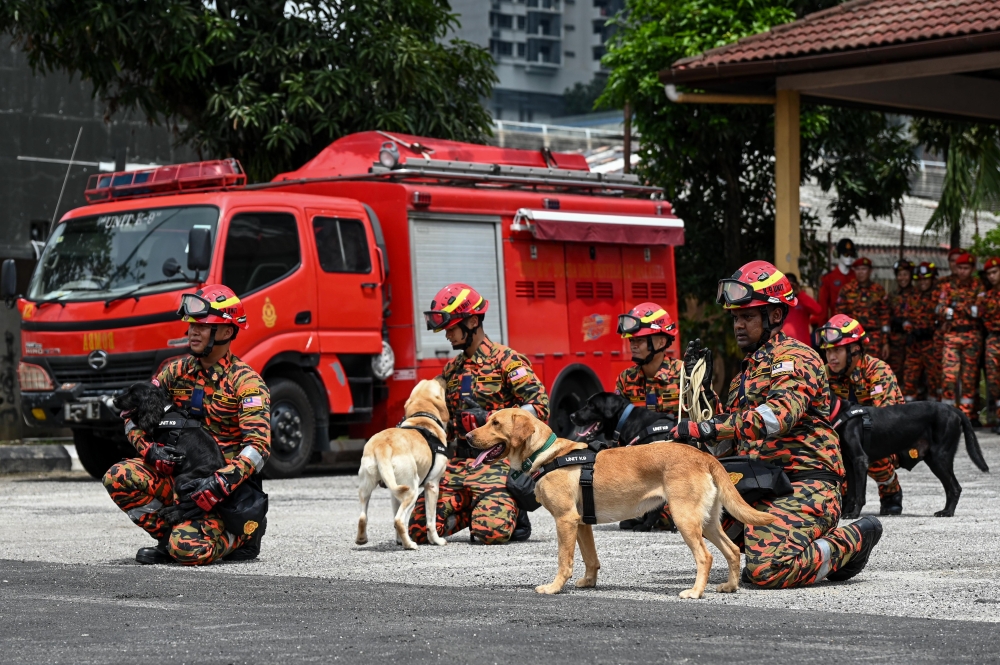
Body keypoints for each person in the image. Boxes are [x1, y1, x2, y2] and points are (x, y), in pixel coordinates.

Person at [672, 260, 881, 588]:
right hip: (761, 482)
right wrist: (701, 392)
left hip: (804, 483)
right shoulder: (746, 372)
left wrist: (710, 426)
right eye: (736, 318)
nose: (739, 325)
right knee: (684, 507)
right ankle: (789, 543)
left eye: (748, 317)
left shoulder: (796, 358)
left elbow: (778, 417)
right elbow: (725, 444)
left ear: (774, 315)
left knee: (766, 572)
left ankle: (852, 540)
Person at [103, 285, 271, 565]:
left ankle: (242, 537)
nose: (193, 331)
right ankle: (170, 537)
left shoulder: (247, 383)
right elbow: (132, 419)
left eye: (203, 326)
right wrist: (149, 452)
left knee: (187, 551)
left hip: (225, 494)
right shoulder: (175, 372)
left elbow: (258, 449)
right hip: (180, 481)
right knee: (118, 476)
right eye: (192, 325)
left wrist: (218, 485)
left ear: (227, 332)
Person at [408, 283, 549, 545]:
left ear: (472, 322)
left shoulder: (507, 361)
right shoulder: (452, 370)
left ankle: (512, 511)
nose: (447, 336)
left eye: (451, 328)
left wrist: (490, 419)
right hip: (460, 465)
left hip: (497, 465)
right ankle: (473, 508)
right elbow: (445, 426)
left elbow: (540, 407)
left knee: (489, 534)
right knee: (417, 532)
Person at [612, 302, 716, 530]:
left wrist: (703, 389)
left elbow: (710, 416)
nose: (633, 345)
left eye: (639, 340)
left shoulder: (684, 375)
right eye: (632, 341)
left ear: (660, 341)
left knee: (673, 517)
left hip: (679, 467)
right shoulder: (626, 379)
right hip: (641, 469)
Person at [818, 314, 905, 515]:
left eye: (837, 350)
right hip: (843, 439)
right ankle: (844, 494)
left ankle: (890, 491)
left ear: (855, 350)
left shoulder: (877, 370)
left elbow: (887, 420)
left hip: (882, 440)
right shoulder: (824, 374)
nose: (831, 357)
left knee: (870, 449)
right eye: (828, 350)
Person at [938, 252, 982, 420]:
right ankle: (947, 416)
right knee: (949, 376)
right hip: (952, 336)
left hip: (972, 336)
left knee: (969, 379)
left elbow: (979, 310)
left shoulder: (978, 286)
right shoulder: (948, 286)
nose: (963, 271)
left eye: (966, 268)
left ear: (972, 269)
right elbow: (941, 308)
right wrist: (958, 308)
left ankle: (967, 416)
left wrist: (955, 307)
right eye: (960, 268)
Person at [901, 262, 941, 402]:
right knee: (909, 380)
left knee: (934, 381)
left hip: (933, 347)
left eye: (925, 279)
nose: (922, 283)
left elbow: (942, 319)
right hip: (915, 346)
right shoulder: (912, 297)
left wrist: (931, 331)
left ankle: (934, 414)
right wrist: (910, 331)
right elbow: (906, 318)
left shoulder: (938, 296)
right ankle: (908, 414)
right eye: (919, 280)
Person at [836, 256, 889, 360]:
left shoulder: (879, 291)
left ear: (870, 271)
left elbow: (885, 318)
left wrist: (885, 343)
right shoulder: (846, 290)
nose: (860, 272)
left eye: (864, 269)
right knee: (853, 371)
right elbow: (839, 317)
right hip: (852, 338)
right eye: (858, 269)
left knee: (873, 371)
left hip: (874, 338)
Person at [977, 257, 1000, 433]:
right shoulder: (986, 296)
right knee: (994, 381)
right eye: (989, 274)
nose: (992, 276)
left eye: (995, 272)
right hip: (993, 339)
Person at [818, 238, 857, 321]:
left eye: (851, 254)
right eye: (846, 254)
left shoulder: (856, 277)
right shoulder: (829, 278)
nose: (849, 257)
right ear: (838, 254)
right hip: (836, 324)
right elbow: (823, 306)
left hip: (855, 323)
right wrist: (823, 328)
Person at [886, 259, 914, 374]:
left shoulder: (917, 295)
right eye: (900, 275)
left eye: (905, 275)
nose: (903, 278)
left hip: (913, 343)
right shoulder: (891, 296)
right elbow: (885, 317)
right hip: (895, 342)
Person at [782, 273, 822, 345]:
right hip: (784, 346)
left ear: (797, 285)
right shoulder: (780, 302)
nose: (790, 288)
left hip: (803, 346)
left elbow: (818, 310)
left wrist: (800, 294)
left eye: (792, 285)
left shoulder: (802, 299)